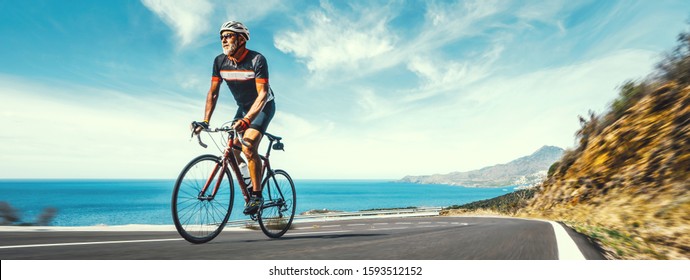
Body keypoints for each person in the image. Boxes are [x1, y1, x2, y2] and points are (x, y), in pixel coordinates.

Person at [193, 21, 276, 215]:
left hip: (263, 106)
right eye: (221, 36)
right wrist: (205, 121)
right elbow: (213, 93)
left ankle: (257, 195)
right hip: (243, 108)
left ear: (241, 39)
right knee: (232, 151)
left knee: (248, 146)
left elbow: (262, 95)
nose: (223, 39)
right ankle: (249, 179)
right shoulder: (219, 61)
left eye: (228, 35)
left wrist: (247, 120)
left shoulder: (257, 60)